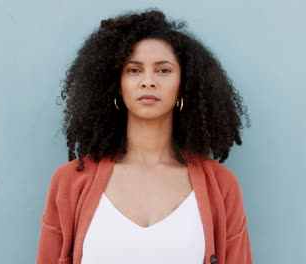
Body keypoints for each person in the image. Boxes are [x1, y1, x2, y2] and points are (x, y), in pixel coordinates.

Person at [36, 7, 253, 264]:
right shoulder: (69, 182)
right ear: (117, 85)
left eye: (163, 70)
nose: (148, 81)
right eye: (134, 70)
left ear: (184, 84)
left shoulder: (221, 186)